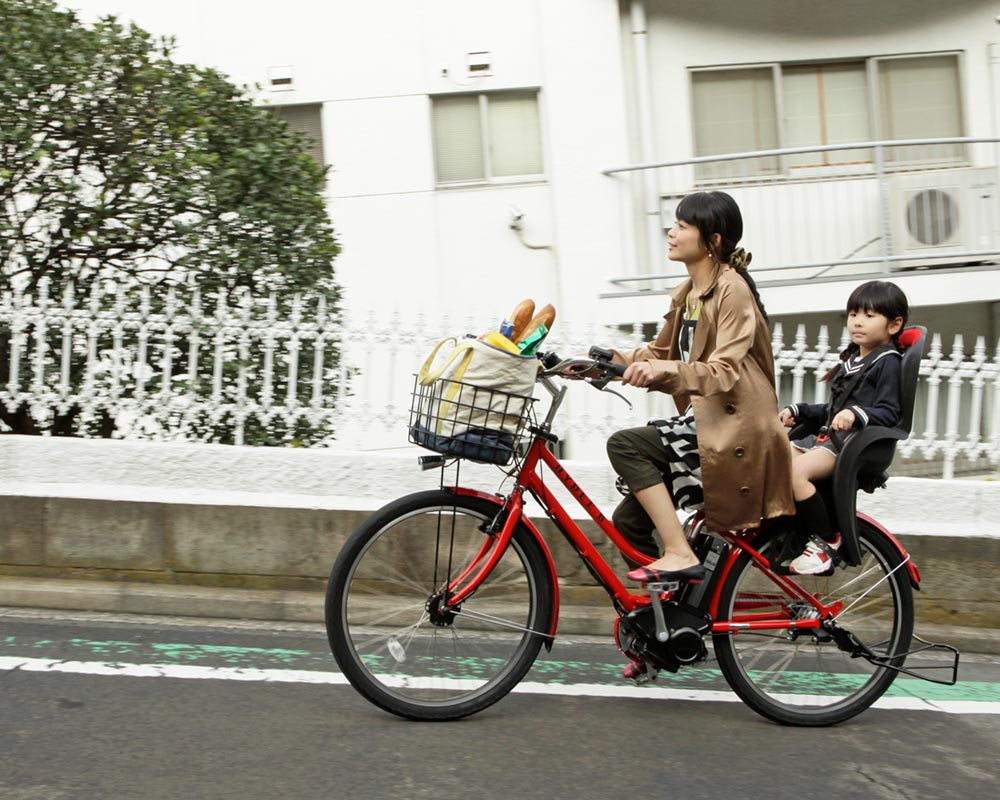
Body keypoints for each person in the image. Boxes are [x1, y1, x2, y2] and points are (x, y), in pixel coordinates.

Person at [605, 191, 795, 589]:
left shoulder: (732, 290)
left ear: (714, 240)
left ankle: (679, 553)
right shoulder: (688, 293)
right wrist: (601, 364)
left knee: (625, 444)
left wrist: (658, 369)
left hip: (734, 429)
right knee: (626, 522)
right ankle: (668, 620)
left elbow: (723, 371)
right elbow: (658, 352)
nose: (670, 233)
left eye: (682, 226)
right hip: (705, 423)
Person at [778, 280, 909, 574]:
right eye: (853, 314)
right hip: (831, 439)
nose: (858, 322)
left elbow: (889, 413)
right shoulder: (855, 359)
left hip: (848, 445)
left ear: (894, 324)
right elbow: (834, 411)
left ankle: (827, 541)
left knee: (794, 472)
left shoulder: (887, 362)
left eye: (869, 315)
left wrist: (856, 414)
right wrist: (800, 410)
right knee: (776, 456)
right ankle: (790, 530)